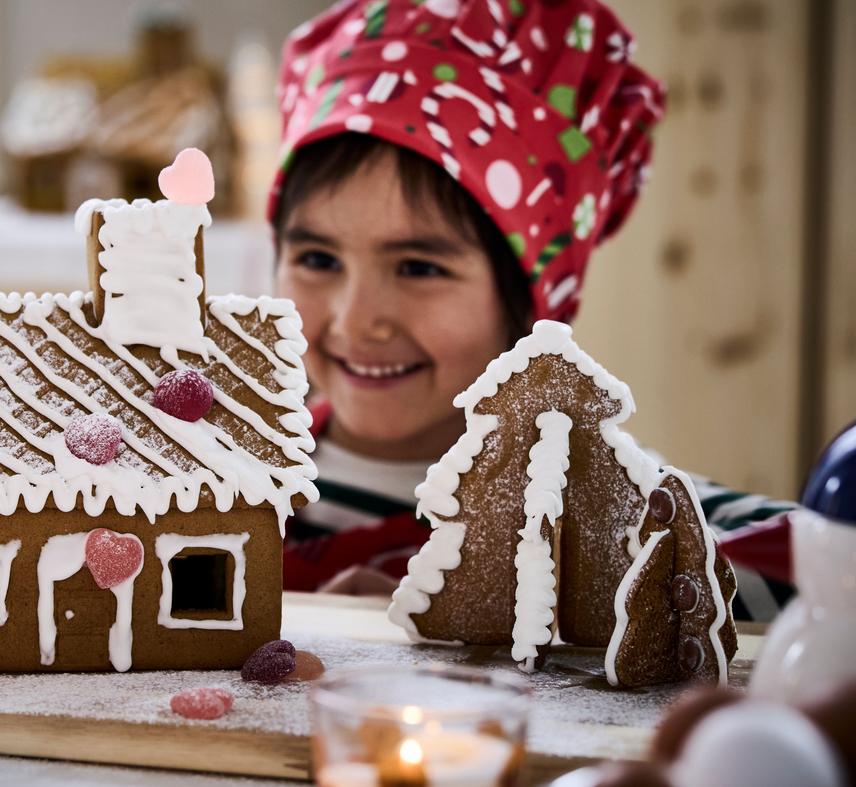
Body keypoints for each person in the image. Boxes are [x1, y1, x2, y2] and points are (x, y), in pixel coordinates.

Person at [271, 0, 793, 620]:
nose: (356, 321)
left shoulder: (608, 512)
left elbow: (823, 564)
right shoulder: (226, 478)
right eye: (318, 259)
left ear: (533, 306)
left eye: (419, 268)